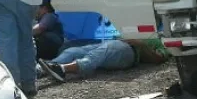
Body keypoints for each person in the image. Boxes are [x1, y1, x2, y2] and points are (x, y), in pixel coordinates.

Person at [38, 38, 169, 83]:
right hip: (115, 42)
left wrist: (140, 44)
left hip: (130, 51)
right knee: (73, 51)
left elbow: (158, 59)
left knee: (101, 52)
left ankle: (63, 69)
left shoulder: (162, 39)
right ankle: (42, 69)